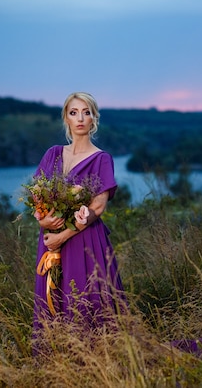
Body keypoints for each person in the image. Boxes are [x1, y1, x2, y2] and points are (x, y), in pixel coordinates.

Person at [32, 92, 126, 334]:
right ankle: (57, 364)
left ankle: (96, 364)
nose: (80, 118)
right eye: (74, 112)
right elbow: (36, 197)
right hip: (50, 242)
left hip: (84, 242)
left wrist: (60, 238)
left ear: (94, 118)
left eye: (86, 112)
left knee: (85, 300)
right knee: (52, 302)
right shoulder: (53, 154)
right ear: (66, 118)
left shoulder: (101, 159)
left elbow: (97, 207)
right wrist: (44, 217)